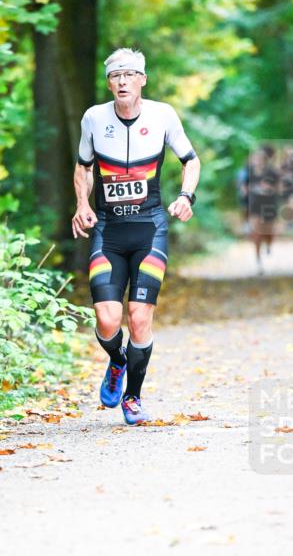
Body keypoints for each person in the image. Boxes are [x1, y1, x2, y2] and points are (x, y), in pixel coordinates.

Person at [72, 48, 200, 425]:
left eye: (130, 74)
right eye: (115, 76)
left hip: (150, 230)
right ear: (109, 82)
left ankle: (132, 396)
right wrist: (82, 203)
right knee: (108, 320)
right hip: (108, 231)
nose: (122, 81)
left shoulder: (163, 115)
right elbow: (83, 166)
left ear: (142, 79)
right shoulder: (94, 118)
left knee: (139, 317)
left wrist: (185, 196)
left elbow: (190, 160)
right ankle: (116, 361)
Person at [247, 144, 280, 274]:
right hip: (255, 204)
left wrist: (269, 188)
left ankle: (269, 244)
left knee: (268, 232)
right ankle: (258, 260)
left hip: (269, 204)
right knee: (256, 233)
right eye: (256, 158)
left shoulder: (272, 172)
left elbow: (279, 188)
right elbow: (243, 186)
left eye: (260, 159)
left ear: (265, 160)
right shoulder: (249, 171)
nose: (257, 161)